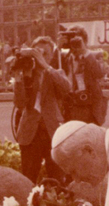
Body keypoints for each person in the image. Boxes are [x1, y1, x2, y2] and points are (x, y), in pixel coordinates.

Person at [12, 36, 70, 182]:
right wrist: (19, 79)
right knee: (27, 178)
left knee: (56, 178)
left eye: (46, 54)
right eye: (38, 53)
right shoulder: (27, 73)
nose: (41, 57)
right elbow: (19, 104)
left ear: (51, 56)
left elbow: (66, 88)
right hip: (30, 133)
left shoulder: (56, 73)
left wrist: (45, 65)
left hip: (51, 131)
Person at [65, 35, 108, 125]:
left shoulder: (91, 56)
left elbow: (99, 74)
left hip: (91, 102)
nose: (76, 48)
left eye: (78, 44)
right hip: (75, 101)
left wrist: (85, 53)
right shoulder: (68, 58)